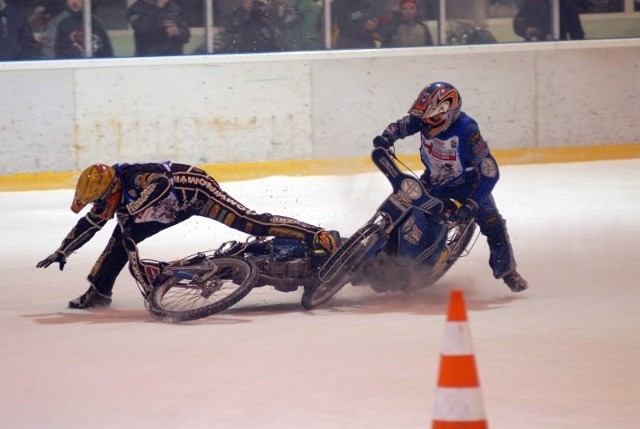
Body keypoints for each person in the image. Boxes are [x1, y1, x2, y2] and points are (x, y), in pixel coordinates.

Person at [36, 162, 340, 308]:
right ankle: (99, 291)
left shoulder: (133, 176)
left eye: (102, 201)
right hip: (168, 210)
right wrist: (64, 250)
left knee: (251, 222)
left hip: (198, 193)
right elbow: (89, 224)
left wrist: (135, 208)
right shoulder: (109, 196)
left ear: (113, 188)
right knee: (119, 239)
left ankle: (313, 234)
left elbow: (163, 184)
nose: (101, 207)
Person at [372, 82, 529, 292]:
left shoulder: (467, 130)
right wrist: (386, 137)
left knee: (494, 223)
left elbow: (490, 172)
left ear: (450, 113)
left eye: (434, 117)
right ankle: (380, 250)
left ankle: (508, 271)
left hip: (468, 187)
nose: (427, 122)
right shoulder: (424, 120)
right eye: (424, 116)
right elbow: (401, 126)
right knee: (402, 206)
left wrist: (472, 204)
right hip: (434, 180)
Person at [41, 0, 113, 59]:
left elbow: (107, 52)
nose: (74, 1)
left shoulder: (97, 23)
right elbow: (49, 53)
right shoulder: (57, 23)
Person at [222, 0, 299, 53]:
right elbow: (229, 28)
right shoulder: (240, 10)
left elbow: (293, 22)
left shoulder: (279, 7)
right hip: (246, 55)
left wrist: (271, 9)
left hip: (276, 54)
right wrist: (244, 10)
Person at [513, 0, 585, 42]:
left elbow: (577, 32)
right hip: (534, 45)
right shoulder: (532, 2)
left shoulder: (567, 4)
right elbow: (519, 21)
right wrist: (526, 29)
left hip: (559, 46)